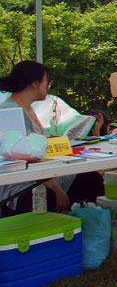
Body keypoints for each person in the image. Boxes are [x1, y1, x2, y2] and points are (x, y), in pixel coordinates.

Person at [0, 61, 103, 215]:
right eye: (47, 82)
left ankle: (85, 230)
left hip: (39, 175)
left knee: (90, 179)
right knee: (50, 196)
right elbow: (25, 159)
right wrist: (56, 189)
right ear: (34, 84)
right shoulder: (11, 111)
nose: (48, 87)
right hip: (19, 183)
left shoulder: (26, 108)